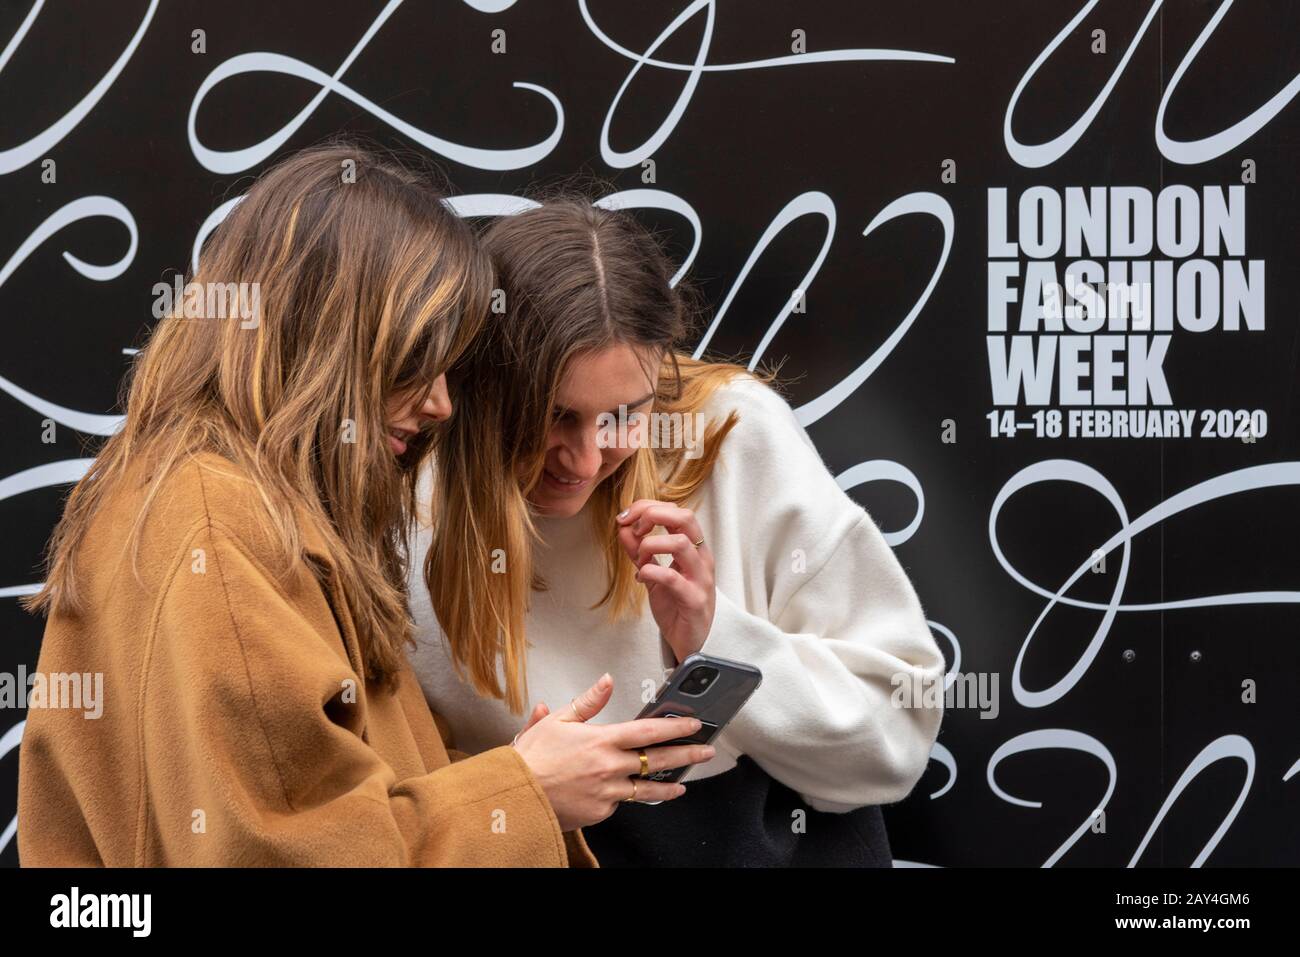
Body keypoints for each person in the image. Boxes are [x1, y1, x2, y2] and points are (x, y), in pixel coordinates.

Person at [16, 147, 711, 867]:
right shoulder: (218, 527)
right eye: (416, 357)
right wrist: (524, 788)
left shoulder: (244, 500)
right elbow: (282, 855)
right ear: (327, 337)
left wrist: (523, 780)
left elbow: (349, 795)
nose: (441, 401)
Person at [408, 198, 947, 866]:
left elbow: (894, 743)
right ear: (485, 388)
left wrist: (717, 637)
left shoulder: (731, 436)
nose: (583, 459)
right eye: (554, 416)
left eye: (623, 415)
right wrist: (521, 788)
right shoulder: (413, 480)